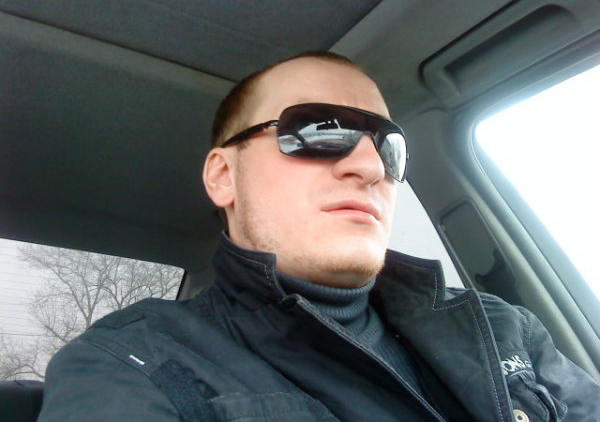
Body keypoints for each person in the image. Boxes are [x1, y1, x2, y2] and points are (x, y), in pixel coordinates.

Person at [38, 51, 600, 422]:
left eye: (389, 147)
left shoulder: (504, 329)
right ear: (223, 176)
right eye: (318, 130)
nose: (370, 167)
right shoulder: (132, 364)